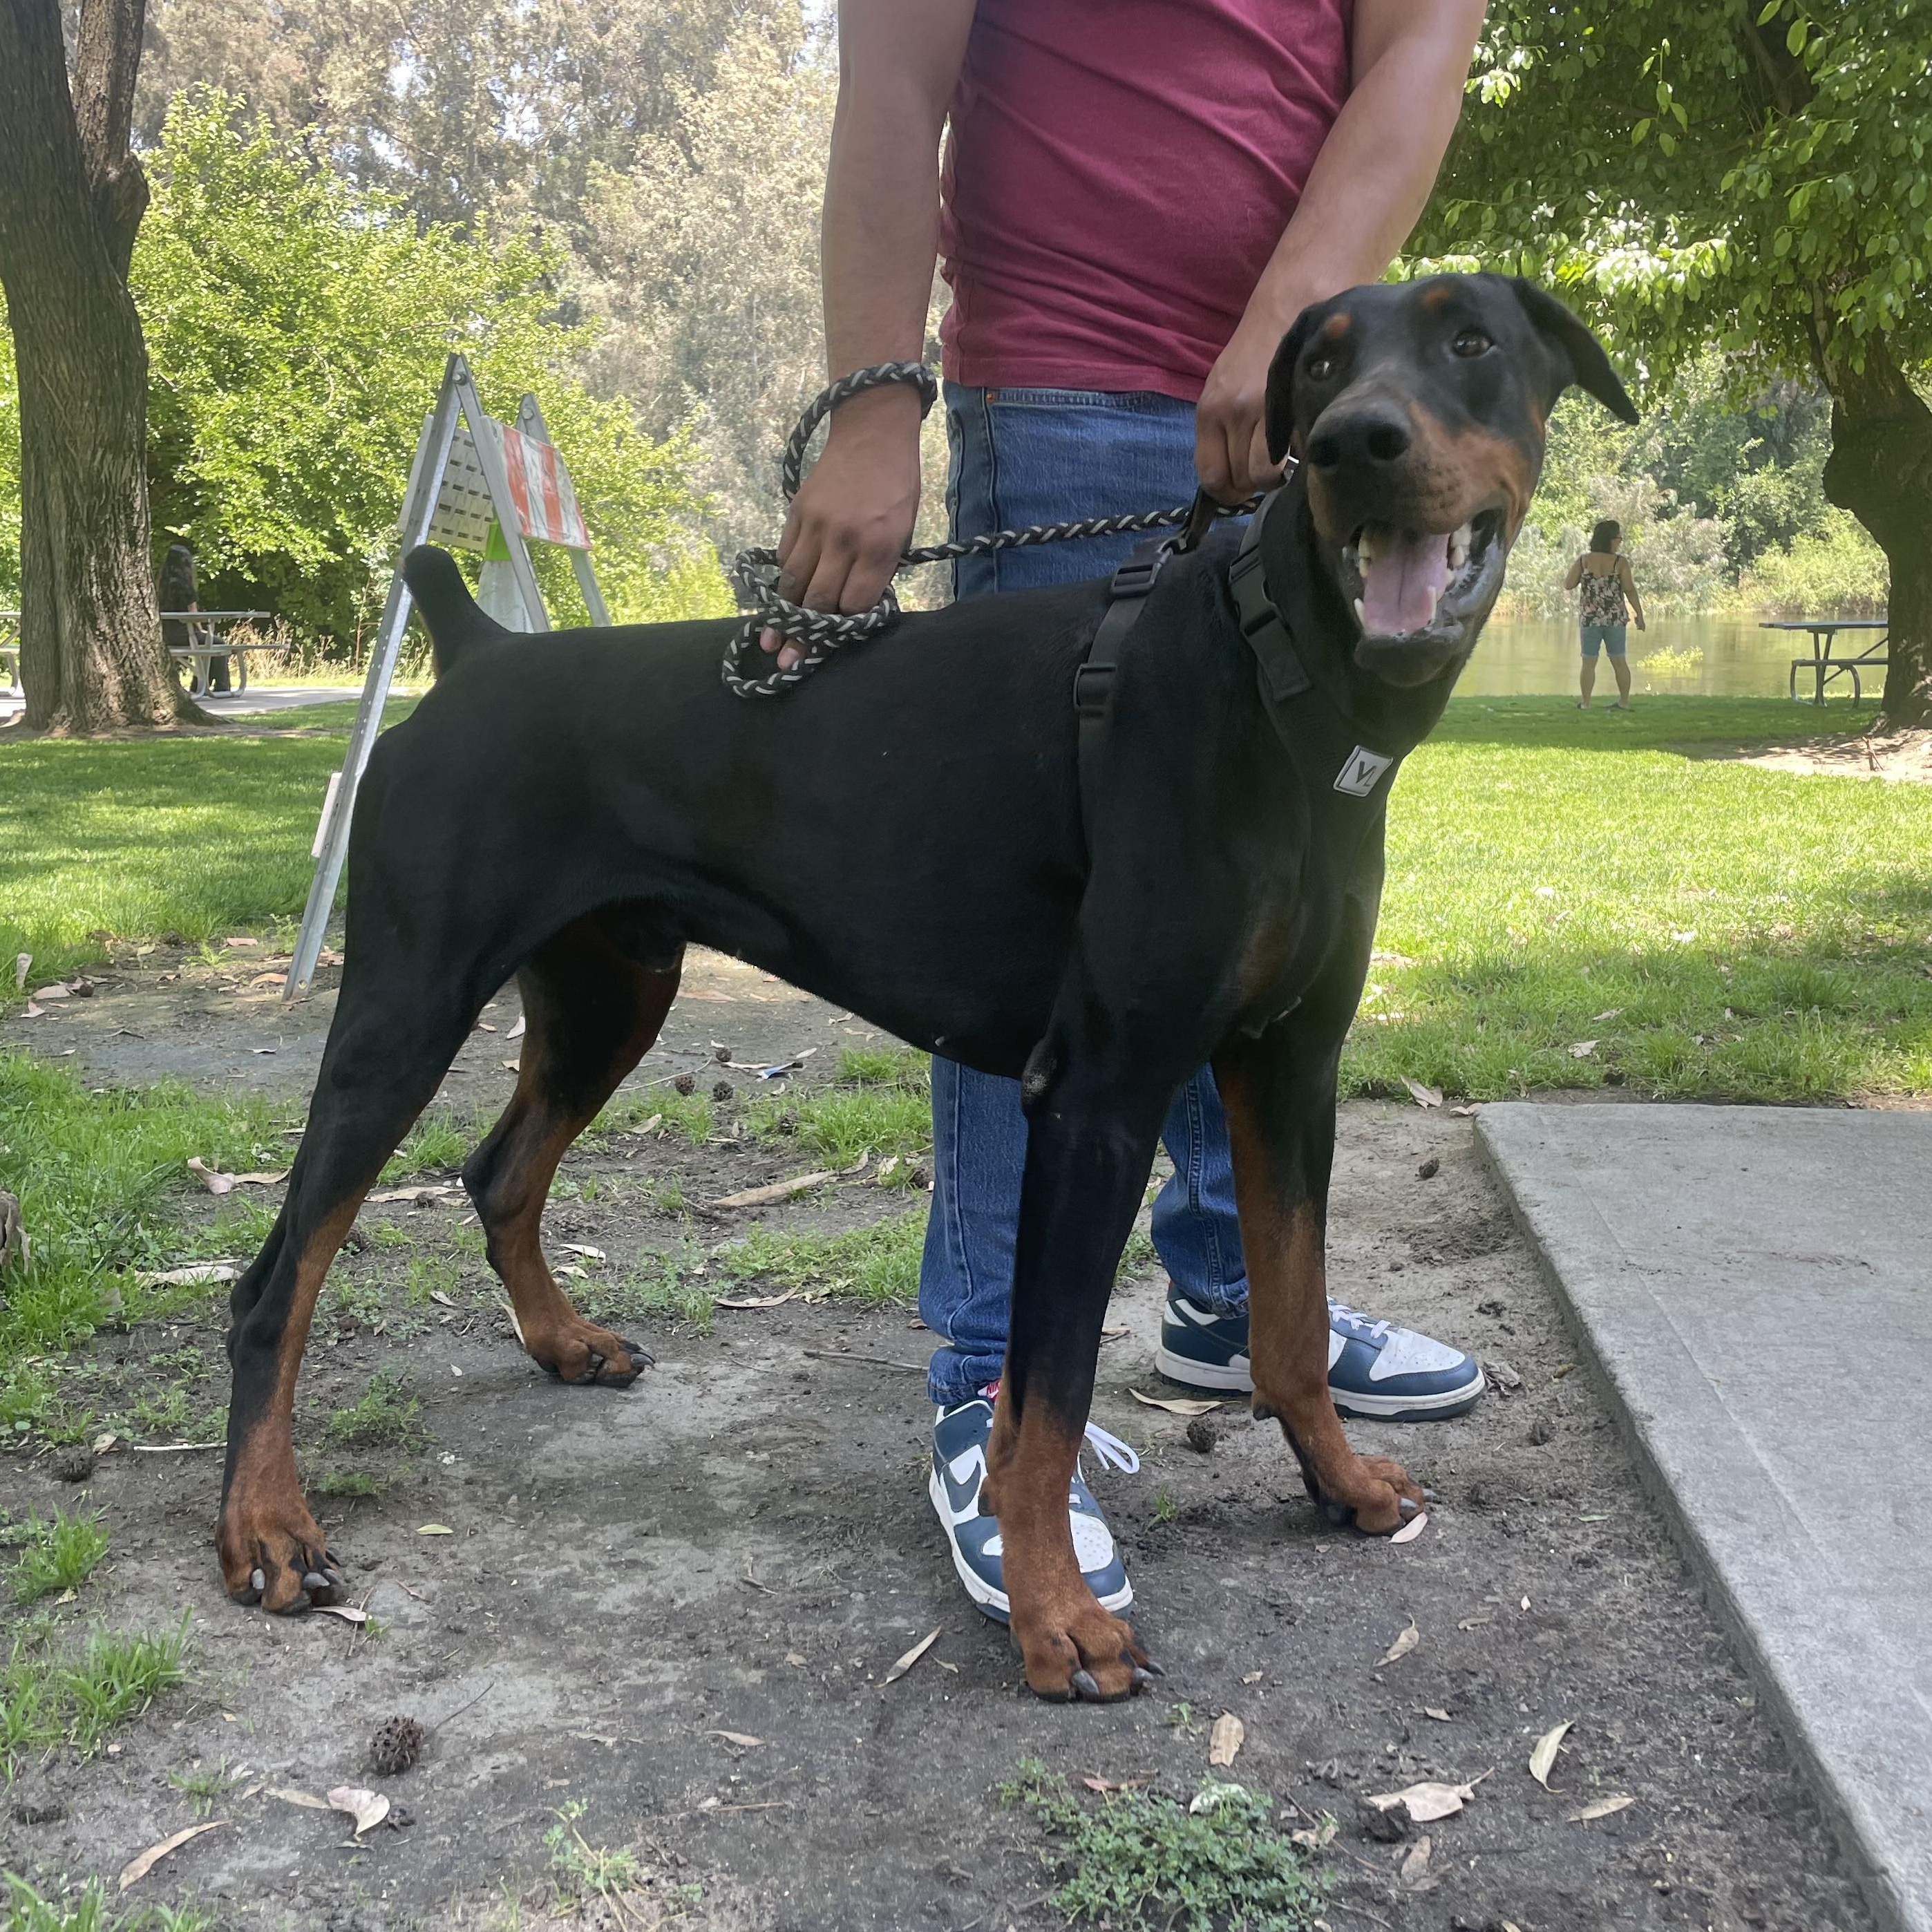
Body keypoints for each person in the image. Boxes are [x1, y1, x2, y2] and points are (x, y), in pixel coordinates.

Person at [770, 0, 1490, 1625]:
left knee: (1275, 900)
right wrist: (879, 400)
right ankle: (989, 1387)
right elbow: (897, 67)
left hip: (1327, 406)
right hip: (1071, 388)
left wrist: (1301, 321)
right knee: (1051, 935)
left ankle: (1235, 1303)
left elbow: (1419, 45)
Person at [1566, 518, 1645, 709]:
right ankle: (1624, 702)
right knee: (1619, 661)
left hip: (1590, 618)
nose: (1620, 541)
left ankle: (1585, 703)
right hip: (1615, 618)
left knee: (1588, 662)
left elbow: (1568, 584)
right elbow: (1630, 590)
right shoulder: (1620, 563)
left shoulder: (1584, 561)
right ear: (1609, 539)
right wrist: (1639, 615)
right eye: (1618, 538)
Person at [159, 540, 228, 694]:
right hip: (185, 635)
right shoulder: (186, 588)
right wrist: (201, 631)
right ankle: (222, 686)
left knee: (207, 644)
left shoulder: (160, 587)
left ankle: (200, 685)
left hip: (165, 635)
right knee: (217, 642)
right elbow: (193, 614)